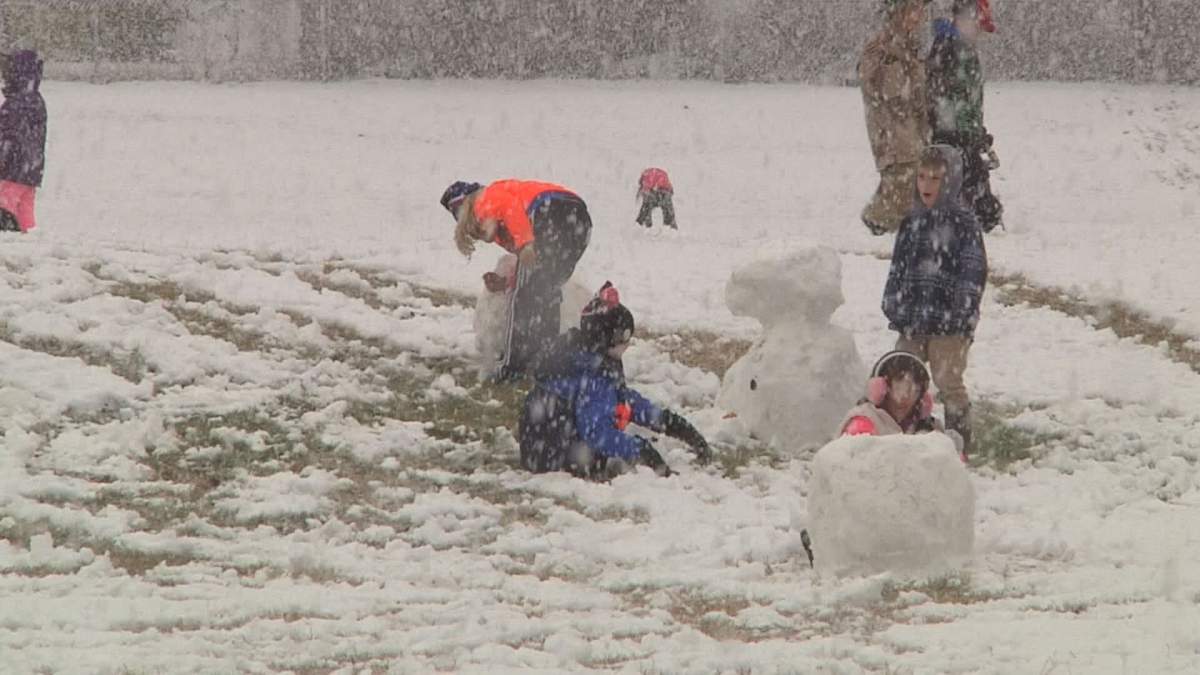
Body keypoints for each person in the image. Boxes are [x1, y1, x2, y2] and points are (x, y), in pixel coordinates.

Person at [519, 282, 712, 479]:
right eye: (624, 339)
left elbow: (624, 401)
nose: (627, 345)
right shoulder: (589, 372)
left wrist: (676, 426)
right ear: (607, 338)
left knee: (610, 436)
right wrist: (642, 451)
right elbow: (597, 434)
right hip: (550, 457)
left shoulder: (591, 358)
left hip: (544, 448)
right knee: (603, 454)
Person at [882, 144, 986, 456]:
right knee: (901, 377)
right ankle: (899, 438)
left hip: (949, 325)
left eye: (936, 178)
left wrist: (959, 313)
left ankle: (959, 444)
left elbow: (973, 272)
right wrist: (894, 303)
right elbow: (898, 268)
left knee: (947, 380)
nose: (926, 185)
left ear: (951, 181)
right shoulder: (912, 221)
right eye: (922, 177)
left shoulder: (964, 224)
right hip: (913, 319)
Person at [442, 179, 592, 381]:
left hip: (549, 211)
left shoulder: (484, 199)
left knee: (524, 301)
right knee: (545, 292)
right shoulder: (503, 219)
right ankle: (546, 362)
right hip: (578, 219)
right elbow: (529, 271)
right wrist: (509, 282)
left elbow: (509, 207)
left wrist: (525, 245)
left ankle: (512, 366)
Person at [927, 0, 1003, 232]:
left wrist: (977, 132)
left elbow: (968, 102)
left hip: (963, 136)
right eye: (978, 26)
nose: (980, 33)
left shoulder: (964, 49)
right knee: (973, 198)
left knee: (973, 196)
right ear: (964, 19)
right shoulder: (947, 49)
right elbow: (942, 98)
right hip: (951, 137)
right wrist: (959, 135)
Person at [859, 0, 932, 235]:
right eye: (912, 9)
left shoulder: (909, 45)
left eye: (921, 9)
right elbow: (890, 94)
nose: (918, 15)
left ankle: (889, 231)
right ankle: (878, 228)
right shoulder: (883, 48)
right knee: (901, 185)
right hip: (894, 135)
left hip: (909, 133)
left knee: (908, 186)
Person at [840, 350, 943, 437]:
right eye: (899, 384)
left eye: (915, 389)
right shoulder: (863, 422)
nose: (906, 395)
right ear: (881, 387)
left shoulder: (929, 429)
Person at [0, 50, 47, 233]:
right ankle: (31, 241)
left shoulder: (17, 103)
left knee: (4, 205)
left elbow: (8, 136)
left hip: (13, 168)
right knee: (24, 213)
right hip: (31, 169)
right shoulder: (35, 100)